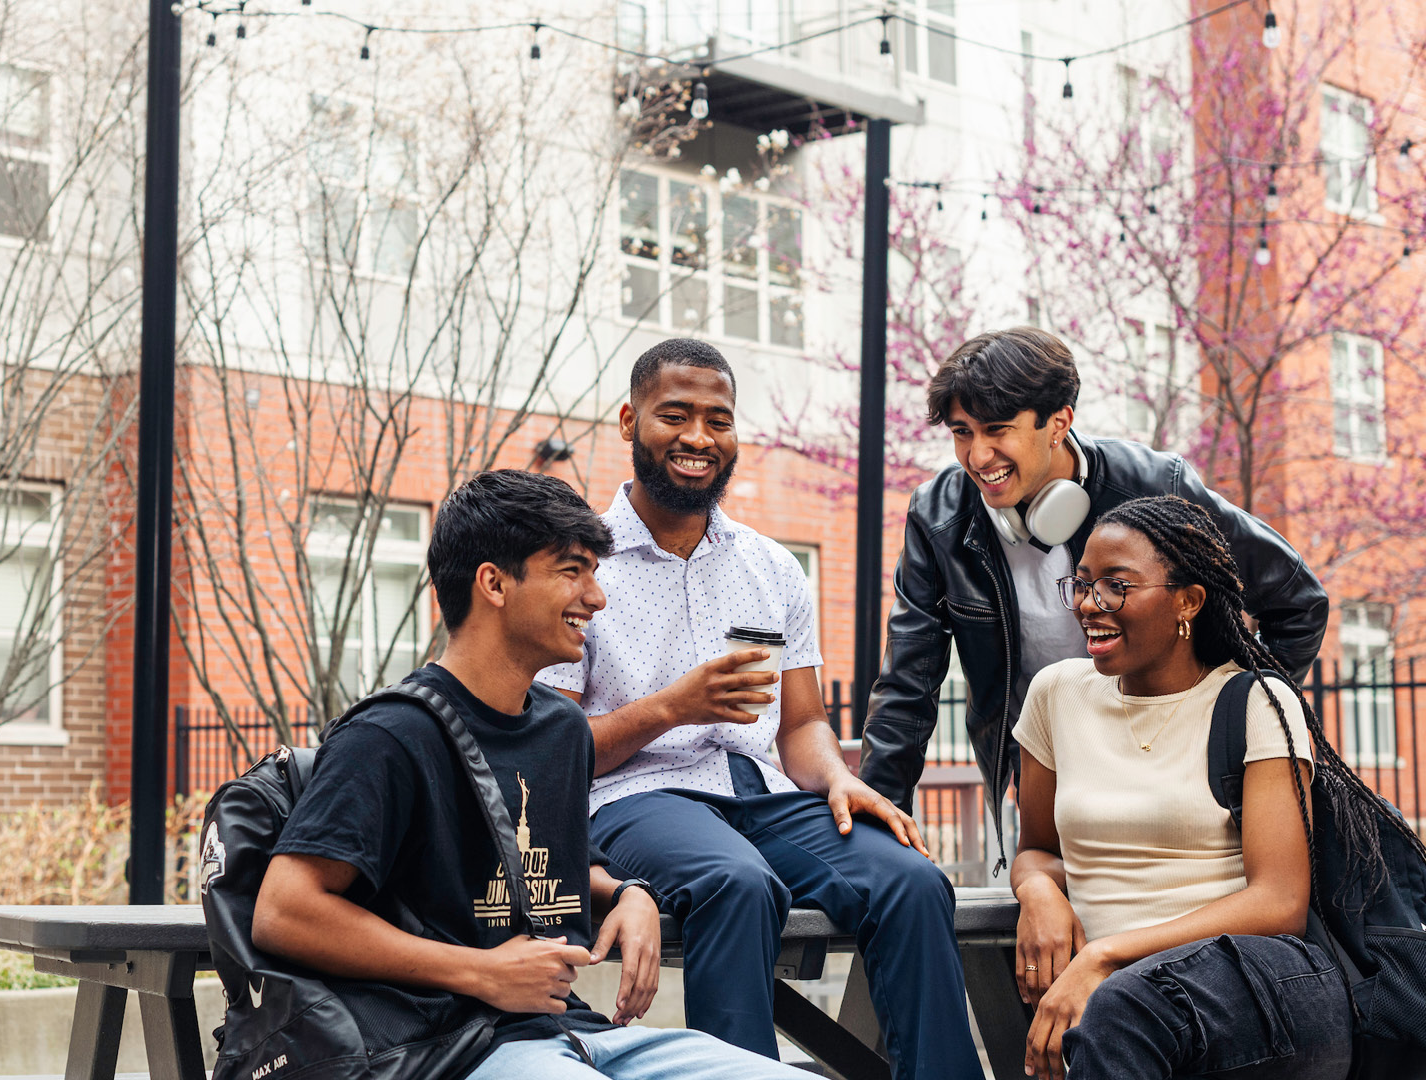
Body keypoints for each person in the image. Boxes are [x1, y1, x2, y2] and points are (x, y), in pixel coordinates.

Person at [254, 469, 820, 1080]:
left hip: (574, 1034)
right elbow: (284, 911)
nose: (597, 598)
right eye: (571, 571)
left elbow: (550, 858)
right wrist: (480, 971)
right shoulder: (392, 734)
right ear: (493, 583)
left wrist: (629, 894)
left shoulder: (558, 728)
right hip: (445, 1046)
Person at [540, 339, 984, 1079]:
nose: (698, 438)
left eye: (718, 419)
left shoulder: (771, 565)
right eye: (674, 415)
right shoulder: (576, 565)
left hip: (760, 792)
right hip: (635, 798)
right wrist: (671, 708)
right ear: (628, 422)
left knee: (912, 881)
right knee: (735, 883)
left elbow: (801, 724)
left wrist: (839, 779)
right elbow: (554, 751)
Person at [857, 326, 1329, 863]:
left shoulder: (1158, 485)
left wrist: (1233, 725)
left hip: (1174, 762)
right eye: (962, 433)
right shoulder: (938, 517)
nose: (977, 455)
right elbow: (907, 684)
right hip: (1044, 774)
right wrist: (879, 825)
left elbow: (1299, 601)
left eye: (997, 430)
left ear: (1059, 421)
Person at [1008, 494, 1419, 1078]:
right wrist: (1039, 891)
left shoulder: (1258, 701)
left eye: (1116, 585)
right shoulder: (1056, 695)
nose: (1088, 604)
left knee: (1120, 1006)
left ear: (1189, 601)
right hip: (1127, 1006)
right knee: (1118, 1011)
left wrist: (1106, 955)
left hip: (1261, 983)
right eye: (1080, 584)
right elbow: (1038, 850)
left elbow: (1279, 901)